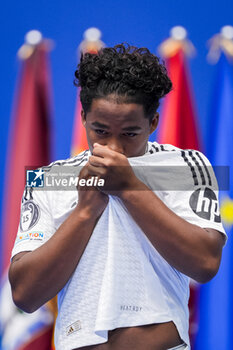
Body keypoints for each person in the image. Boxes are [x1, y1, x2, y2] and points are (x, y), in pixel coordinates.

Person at [9, 43, 226, 350]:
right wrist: (84, 212)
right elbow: (25, 295)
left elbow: (205, 263)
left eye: (129, 133)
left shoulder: (185, 165)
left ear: (153, 123)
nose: (113, 148)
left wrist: (128, 188)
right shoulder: (48, 179)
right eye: (100, 130)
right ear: (83, 118)